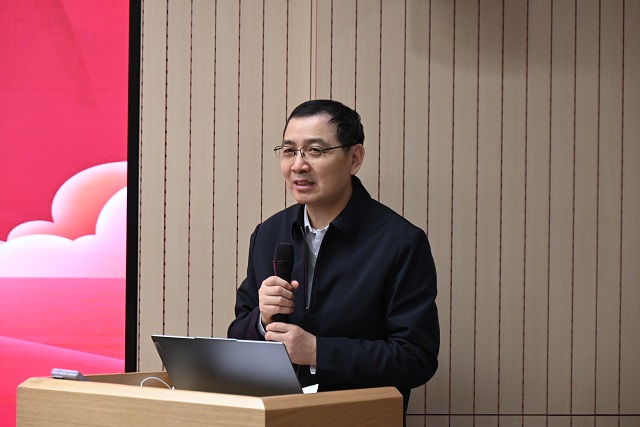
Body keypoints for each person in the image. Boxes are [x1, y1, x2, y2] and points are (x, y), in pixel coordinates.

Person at [227, 99, 439, 419]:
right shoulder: (267, 234)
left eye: (315, 151)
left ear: (354, 158)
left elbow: (416, 358)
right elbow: (236, 338)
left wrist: (318, 352)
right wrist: (262, 320)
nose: (298, 165)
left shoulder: (401, 243)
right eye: (289, 151)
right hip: (277, 417)